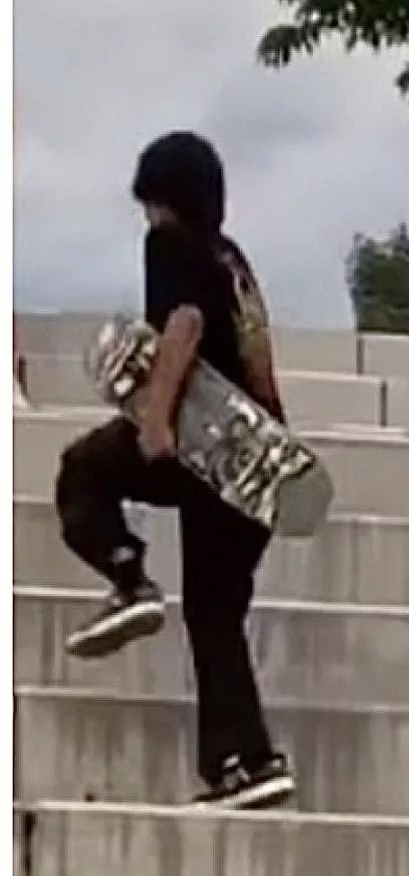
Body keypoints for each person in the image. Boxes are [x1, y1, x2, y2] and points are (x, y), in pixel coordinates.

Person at [55, 131, 295, 808]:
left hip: (204, 443)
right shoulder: (233, 260)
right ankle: (247, 764)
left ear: (164, 198)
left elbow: (182, 324)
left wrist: (157, 419)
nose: (146, 219)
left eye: (149, 205)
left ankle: (128, 576)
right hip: (262, 459)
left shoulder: (172, 244)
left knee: (84, 467)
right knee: (215, 616)